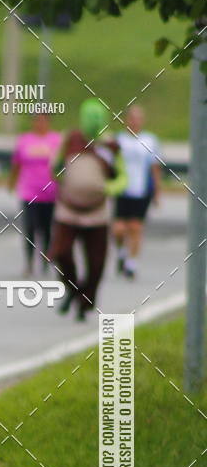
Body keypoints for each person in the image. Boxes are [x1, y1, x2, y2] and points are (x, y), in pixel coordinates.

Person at [50, 99, 127, 320]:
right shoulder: (70, 139)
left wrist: (111, 187)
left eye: (97, 118)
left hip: (97, 213)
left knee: (96, 262)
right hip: (68, 210)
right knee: (61, 252)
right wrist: (60, 178)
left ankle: (86, 301)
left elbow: (123, 176)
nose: (93, 122)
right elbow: (54, 166)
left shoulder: (111, 145)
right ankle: (74, 290)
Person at [8, 113, 61, 275]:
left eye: (43, 120)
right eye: (37, 120)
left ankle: (46, 259)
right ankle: (29, 263)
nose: (40, 123)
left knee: (46, 228)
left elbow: (62, 164)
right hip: (29, 191)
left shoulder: (56, 140)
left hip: (50, 192)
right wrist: (12, 182)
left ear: (48, 122)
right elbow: (17, 163)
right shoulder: (25, 140)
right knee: (30, 227)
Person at [112, 104, 161, 279]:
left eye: (138, 118)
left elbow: (154, 167)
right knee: (118, 229)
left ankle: (132, 264)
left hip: (141, 191)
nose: (135, 122)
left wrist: (157, 191)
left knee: (135, 227)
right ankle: (121, 252)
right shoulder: (118, 140)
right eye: (132, 118)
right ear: (126, 120)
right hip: (122, 189)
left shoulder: (149, 140)